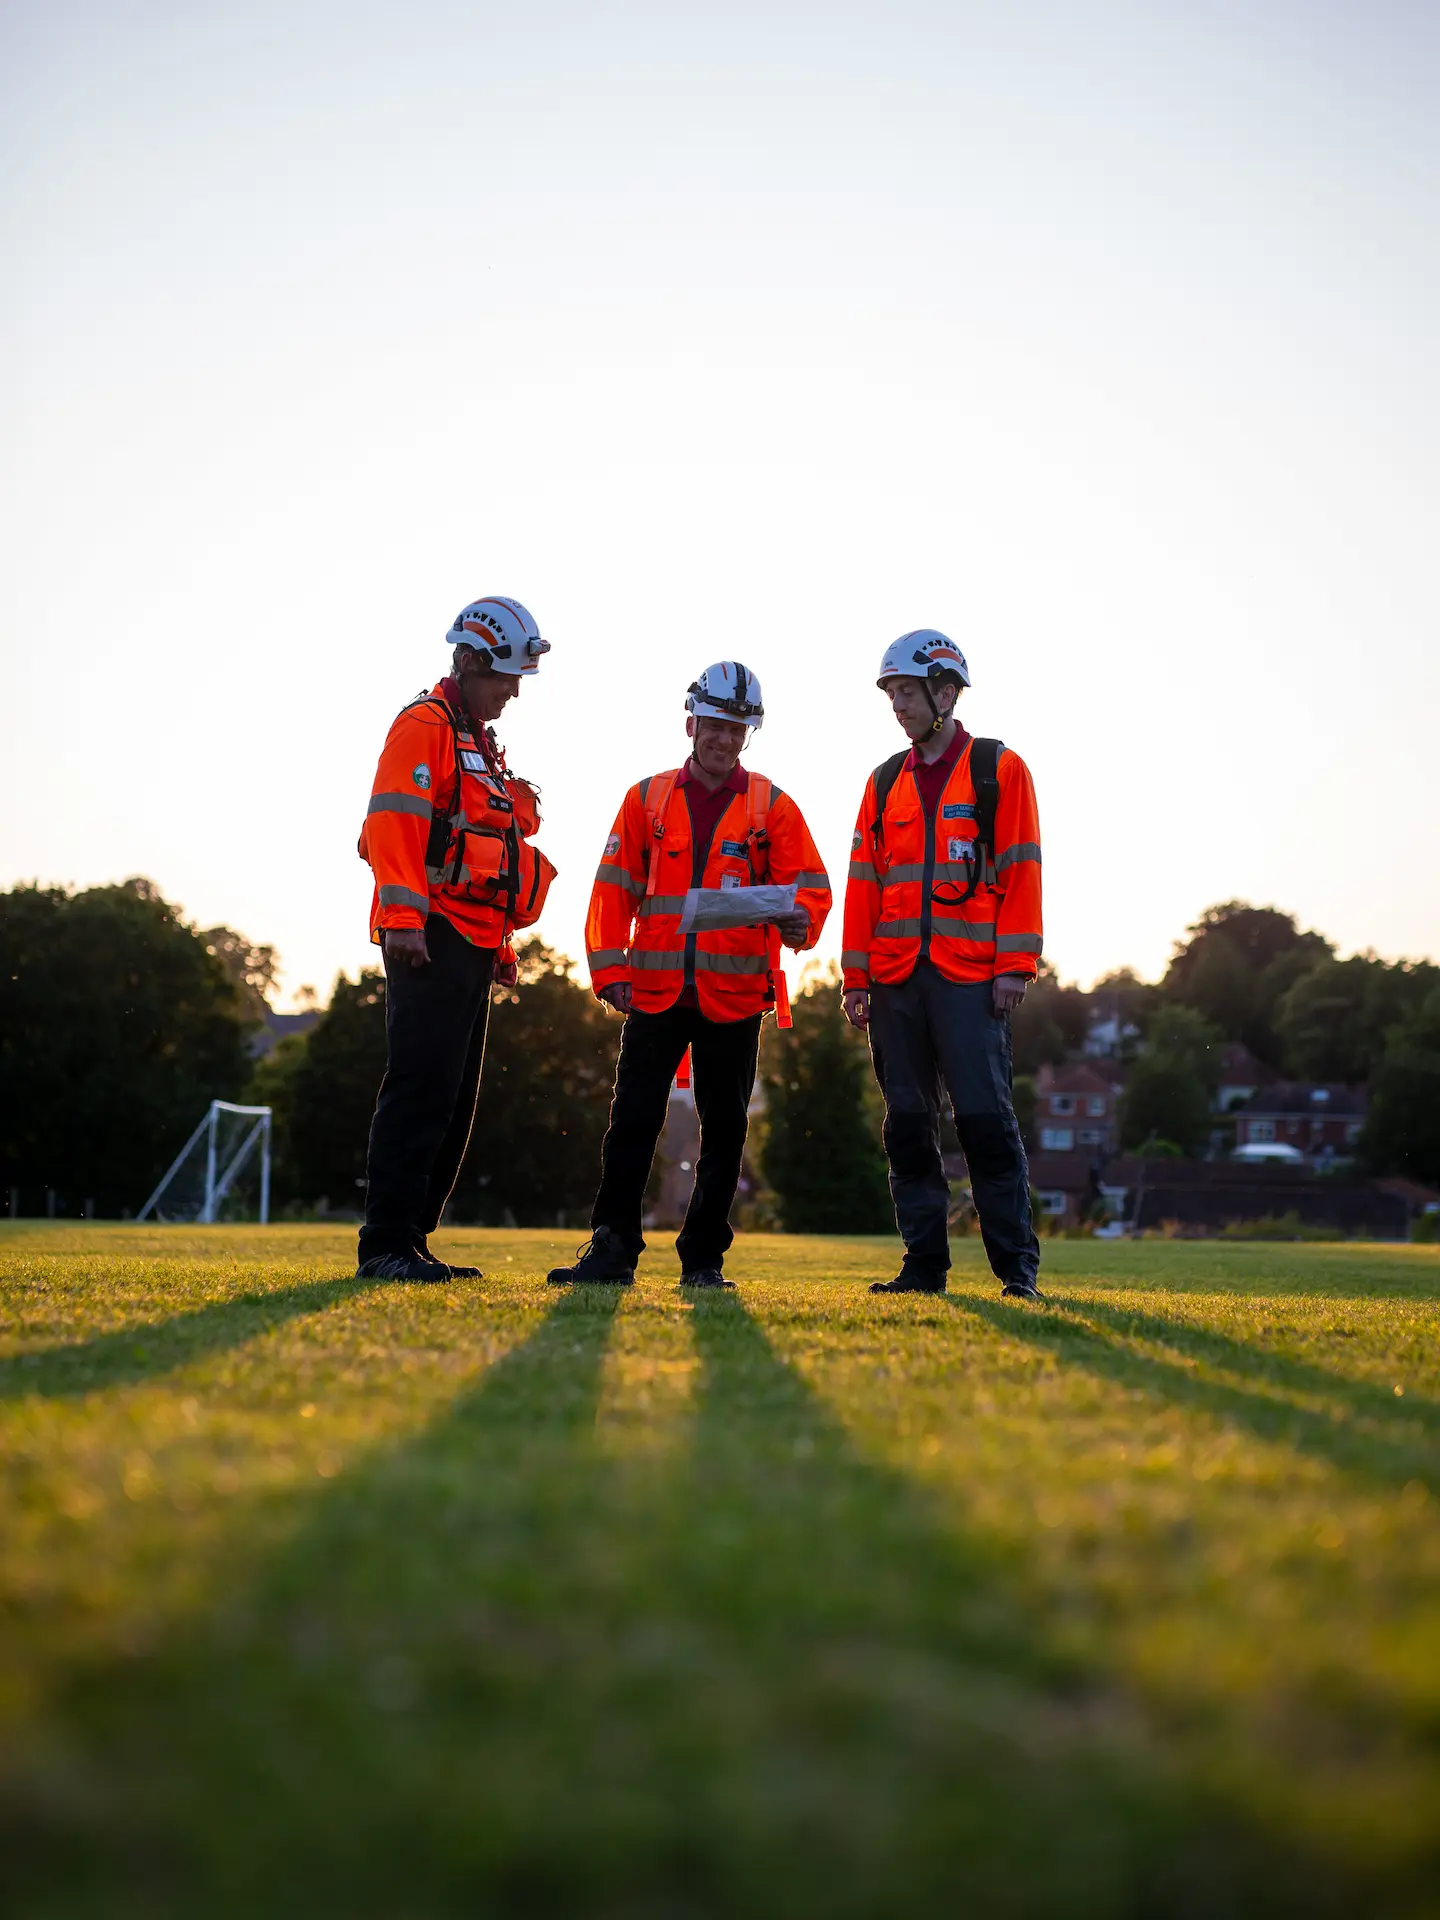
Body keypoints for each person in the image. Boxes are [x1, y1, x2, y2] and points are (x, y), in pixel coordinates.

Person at [548, 662, 831, 1289]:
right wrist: (609, 969)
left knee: (725, 1131)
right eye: (715, 725)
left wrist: (801, 922)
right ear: (691, 723)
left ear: (747, 734)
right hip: (654, 992)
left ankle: (703, 1261)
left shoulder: (772, 807)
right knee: (632, 1122)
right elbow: (613, 889)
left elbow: (811, 887)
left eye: (737, 729)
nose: (725, 739)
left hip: (736, 996)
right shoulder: (645, 799)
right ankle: (612, 1249)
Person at [355, 596, 555, 1281]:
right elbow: (394, 825)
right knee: (420, 1086)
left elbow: (490, 846)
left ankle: (412, 1239)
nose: (513, 691)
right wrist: (405, 922)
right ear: (468, 661)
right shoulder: (425, 725)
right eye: (504, 676)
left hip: (470, 940)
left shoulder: (477, 739)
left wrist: (500, 945)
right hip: (429, 935)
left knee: (454, 1096)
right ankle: (385, 1245)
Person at [841, 630, 1044, 1300]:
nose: (898, 706)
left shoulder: (998, 769)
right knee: (906, 1127)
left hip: (971, 979)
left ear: (946, 693)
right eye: (892, 695)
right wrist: (855, 977)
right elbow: (864, 885)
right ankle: (923, 1267)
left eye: (909, 692)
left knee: (985, 1123)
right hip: (894, 979)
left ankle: (1016, 1270)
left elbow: (1022, 869)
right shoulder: (883, 782)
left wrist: (1015, 965)